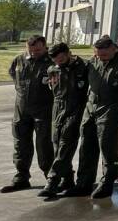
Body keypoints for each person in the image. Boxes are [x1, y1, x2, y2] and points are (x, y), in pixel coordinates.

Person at [70, 36, 118, 198]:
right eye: (99, 55)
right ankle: (84, 182)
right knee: (86, 145)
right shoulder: (93, 61)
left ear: (114, 49)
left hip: (111, 108)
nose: (101, 58)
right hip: (91, 107)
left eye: (105, 55)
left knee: (107, 146)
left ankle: (107, 182)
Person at [1, 35, 53, 193]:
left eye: (37, 50)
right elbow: (14, 75)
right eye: (30, 50)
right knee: (20, 145)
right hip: (22, 110)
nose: (34, 53)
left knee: (45, 146)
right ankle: (21, 177)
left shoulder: (52, 62)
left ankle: (51, 178)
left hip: (44, 110)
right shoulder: (19, 60)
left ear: (45, 47)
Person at [37, 43, 89, 198]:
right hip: (58, 109)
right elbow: (53, 90)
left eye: (60, 59)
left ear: (68, 53)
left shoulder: (84, 67)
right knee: (56, 144)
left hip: (76, 109)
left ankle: (52, 181)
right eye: (55, 60)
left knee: (65, 145)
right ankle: (67, 179)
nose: (58, 63)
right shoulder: (53, 69)